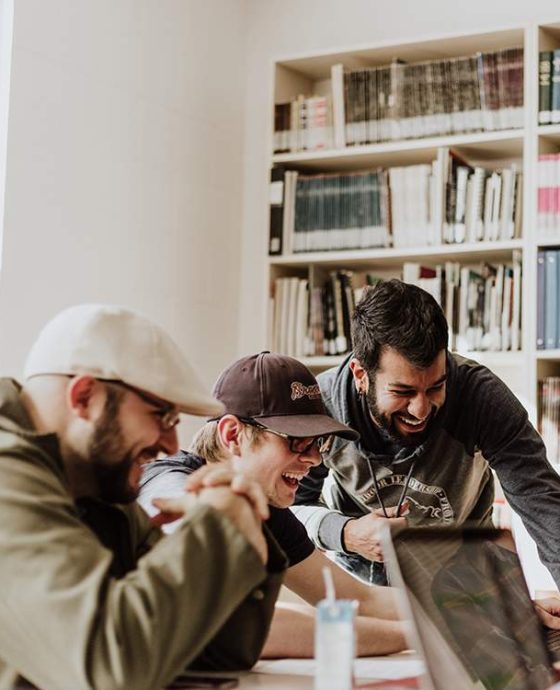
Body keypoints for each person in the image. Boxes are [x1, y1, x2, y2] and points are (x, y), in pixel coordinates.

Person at [0, 304, 287, 690]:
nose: (171, 445)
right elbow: (111, 668)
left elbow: (216, 653)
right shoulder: (8, 475)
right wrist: (218, 526)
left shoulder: (98, 485)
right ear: (84, 397)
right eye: (162, 417)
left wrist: (242, 523)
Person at [291, 278, 560, 588]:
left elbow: (543, 502)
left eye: (435, 387)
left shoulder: (481, 397)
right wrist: (346, 533)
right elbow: (290, 509)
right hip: (362, 583)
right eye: (402, 391)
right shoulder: (322, 407)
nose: (420, 410)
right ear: (361, 375)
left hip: (466, 580)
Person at [139, 351, 408, 658]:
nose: (314, 459)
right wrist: (416, 636)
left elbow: (358, 599)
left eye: (318, 442)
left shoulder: (266, 508)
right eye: (297, 441)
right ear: (232, 435)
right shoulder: (168, 484)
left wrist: (448, 609)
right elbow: (240, 624)